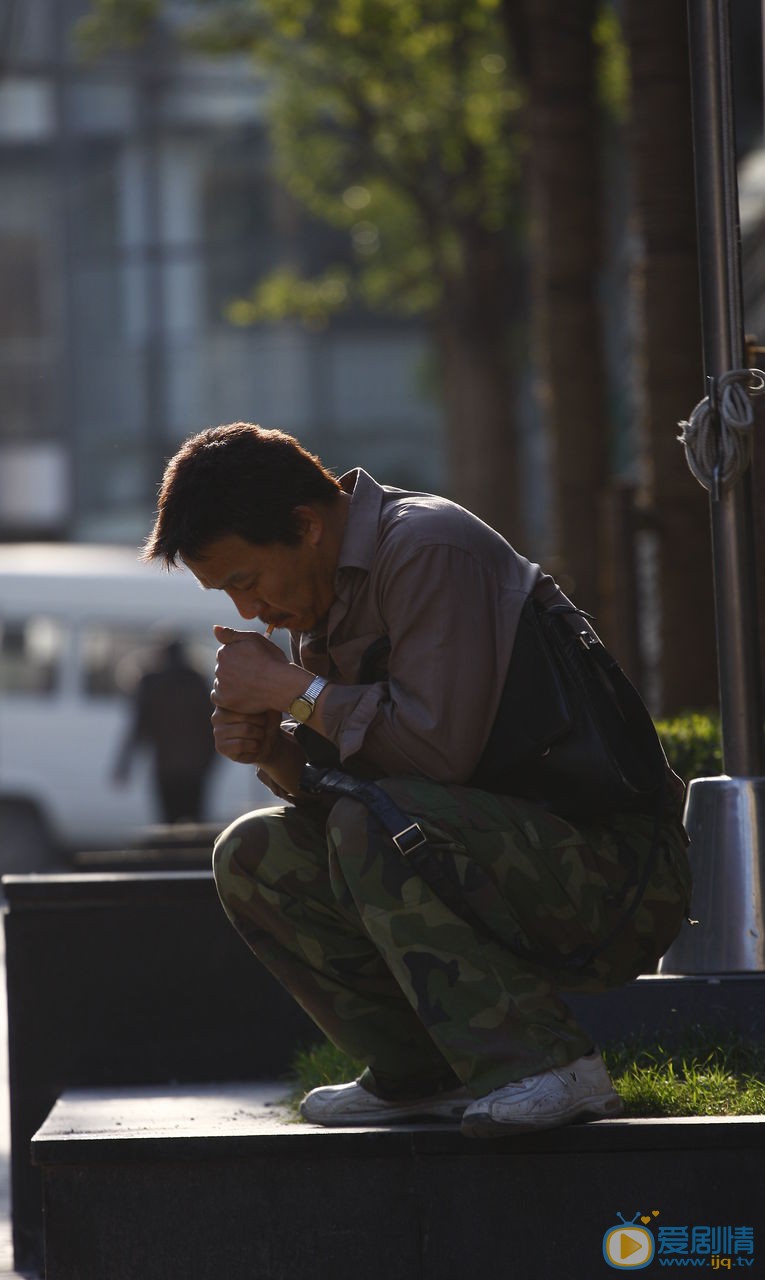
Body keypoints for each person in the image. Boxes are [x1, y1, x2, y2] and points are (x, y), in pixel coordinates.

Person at [143, 421, 691, 1138]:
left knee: (372, 825)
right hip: (500, 857)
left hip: (613, 875)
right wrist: (273, 752)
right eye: (228, 595)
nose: (248, 612)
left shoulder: (426, 547)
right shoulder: (324, 596)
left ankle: (551, 1067)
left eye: (245, 582)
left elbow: (434, 759)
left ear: (304, 525)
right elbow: (360, 792)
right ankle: (421, 1073)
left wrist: (292, 691)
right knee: (252, 856)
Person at [113, 637, 215, 823]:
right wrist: (208, 764)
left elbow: (138, 729)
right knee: (195, 824)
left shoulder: (152, 684)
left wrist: (124, 765)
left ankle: (172, 853)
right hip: (195, 769)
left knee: (168, 826)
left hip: (166, 769)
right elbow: (213, 728)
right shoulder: (197, 683)